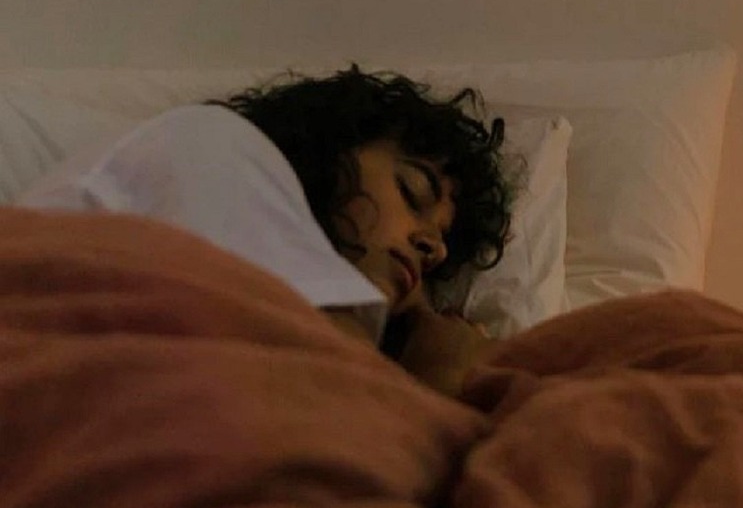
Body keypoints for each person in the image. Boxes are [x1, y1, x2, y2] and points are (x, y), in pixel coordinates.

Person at [19, 65, 518, 399]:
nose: (433, 247)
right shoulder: (217, 146)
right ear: (327, 148)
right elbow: (334, 429)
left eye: (440, 239)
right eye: (412, 190)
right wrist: (441, 373)